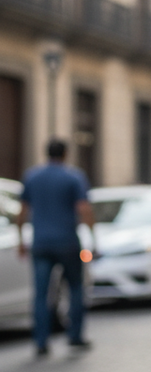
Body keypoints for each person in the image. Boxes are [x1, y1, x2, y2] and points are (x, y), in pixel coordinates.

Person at [15, 138, 95, 356]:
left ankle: (41, 341)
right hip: (67, 242)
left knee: (41, 294)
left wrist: (21, 239)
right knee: (76, 288)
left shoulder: (32, 176)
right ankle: (75, 336)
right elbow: (84, 209)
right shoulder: (74, 177)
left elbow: (22, 212)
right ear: (65, 154)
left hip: (40, 243)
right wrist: (93, 238)